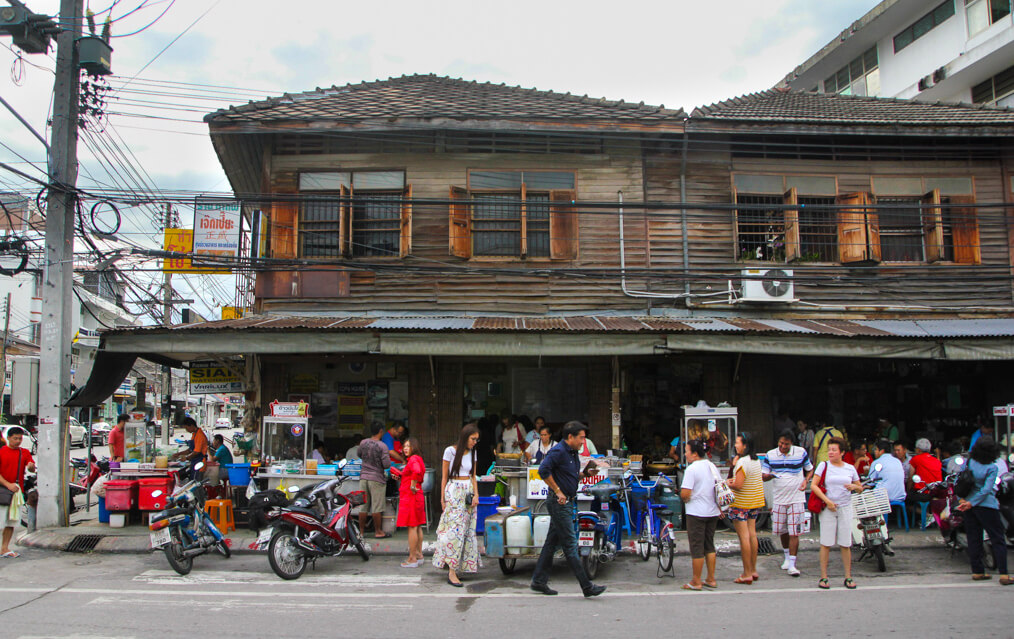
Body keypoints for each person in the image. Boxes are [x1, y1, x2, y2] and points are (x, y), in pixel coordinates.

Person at [530, 421, 605, 597]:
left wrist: (586, 474)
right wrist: (558, 491)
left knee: (551, 543)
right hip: (560, 503)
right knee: (571, 545)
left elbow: (570, 475)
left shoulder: (572, 453)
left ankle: (538, 581)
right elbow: (543, 470)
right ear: (570, 437)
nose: (583, 442)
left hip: (568, 501)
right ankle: (587, 586)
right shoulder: (558, 451)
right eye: (581, 438)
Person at [956, 436, 1011, 584]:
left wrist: (965, 501)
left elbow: (960, 479)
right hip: (987, 506)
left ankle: (978, 571)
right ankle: (1004, 574)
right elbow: (986, 490)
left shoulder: (969, 462)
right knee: (997, 538)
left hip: (968, 504)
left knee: (974, 539)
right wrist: (972, 503)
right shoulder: (992, 467)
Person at [810, 437, 863, 590]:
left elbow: (860, 488)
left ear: (842, 453)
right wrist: (827, 501)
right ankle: (824, 577)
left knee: (845, 543)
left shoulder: (850, 468)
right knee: (826, 543)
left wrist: (853, 486)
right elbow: (814, 485)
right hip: (828, 508)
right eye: (829, 450)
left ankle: (848, 576)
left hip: (845, 507)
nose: (831, 453)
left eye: (834, 450)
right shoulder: (823, 466)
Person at [433, 423, 481, 587]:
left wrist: (476, 494)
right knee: (454, 531)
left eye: (476, 439)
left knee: (467, 531)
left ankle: (459, 566)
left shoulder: (473, 452)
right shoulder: (450, 451)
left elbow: (474, 476)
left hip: (467, 491)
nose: (475, 442)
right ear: (465, 437)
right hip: (453, 491)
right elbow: (444, 477)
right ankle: (451, 571)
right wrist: (442, 499)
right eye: (473, 438)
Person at [762, 429, 813, 577]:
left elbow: (809, 469)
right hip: (779, 498)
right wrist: (769, 476)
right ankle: (786, 556)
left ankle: (792, 563)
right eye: (781, 443)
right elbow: (763, 476)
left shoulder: (800, 452)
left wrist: (805, 481)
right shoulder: (770, 455)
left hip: (797, 498)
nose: (783, 447)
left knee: (794, 531)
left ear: (792, 443)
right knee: (782, 530)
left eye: (786, 444)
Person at [680, 438, 721, 591]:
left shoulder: (692, 469)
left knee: (697, 547)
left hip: (696, 512)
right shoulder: (712, 466)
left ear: (695, 454)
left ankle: (696, 581)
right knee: (709, 545)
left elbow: (685, 493)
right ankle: (711, 578)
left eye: (687, 451)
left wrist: (685, 498)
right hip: (712, 512)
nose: (685, 454)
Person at [726, 432, 765, 584]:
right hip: (754, 502)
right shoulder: (755, 461)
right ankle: (753, 570)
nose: (735, 445)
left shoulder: (742, 462)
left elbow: (738, 485)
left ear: (745, 446)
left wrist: (729, 483)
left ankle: (746, 573)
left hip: (741, 503)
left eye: (737, 443)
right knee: (752, 534)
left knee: (744, 537)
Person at [0, 427, 35, 558]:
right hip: (3, 489)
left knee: (11, 521)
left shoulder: (24, 452)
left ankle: (4, 548)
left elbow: (31, 468)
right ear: (8, 438)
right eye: (15, 438)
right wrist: (8, 484)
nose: (18, 441)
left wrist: (31, 466)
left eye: (20, 438)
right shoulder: (1, 452)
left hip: (16, 492)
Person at [392, 437, 426, 568]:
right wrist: (402, 476)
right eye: (404, 446)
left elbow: (416, 472)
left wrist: (412, 484)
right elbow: (414, 472)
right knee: (417, 526)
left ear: (414, 447)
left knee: (412, 526)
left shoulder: (413, 459)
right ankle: (419, 554)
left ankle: (412, 558)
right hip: (417, 495)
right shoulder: (418, 459)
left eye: (408, 446)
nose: (405, 448)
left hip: (411, 496)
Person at [358, 423, 392, 540]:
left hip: (363, 477)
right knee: (377, 507)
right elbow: (387, 464)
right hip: (377, 478)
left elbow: (359, 455)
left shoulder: (363, 443)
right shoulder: (382, 446)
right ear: (381, 431)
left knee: (363, 506)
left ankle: (361, 532)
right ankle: (378, 531)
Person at [869, 440, 907, 504]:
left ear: (882, 451)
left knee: (864, 495)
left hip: (884, 497)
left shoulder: (877, 462)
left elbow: (870, 482)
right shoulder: (897, 461)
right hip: (900, 496)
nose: (874, 452)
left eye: (876, 449)